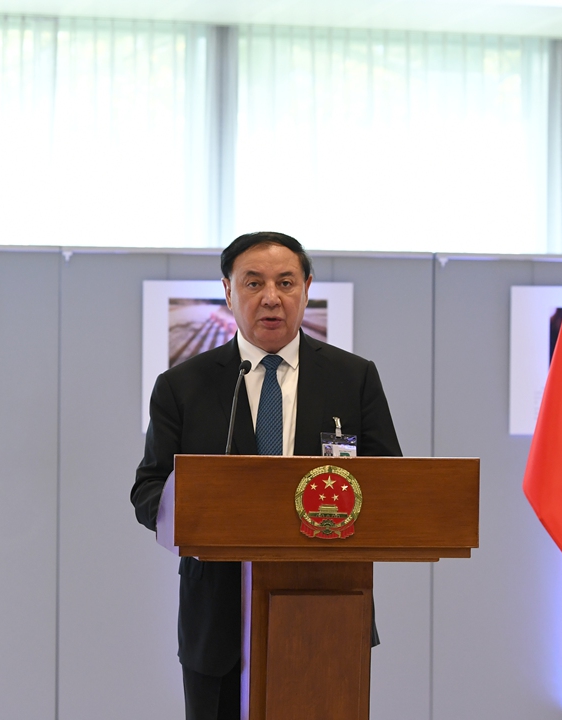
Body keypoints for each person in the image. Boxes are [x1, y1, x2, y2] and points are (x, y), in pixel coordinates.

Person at [130, 231, 402, 720]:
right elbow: (148, 489)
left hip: (328, 610)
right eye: (253, 283)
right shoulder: (182, 386)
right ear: (229, 292)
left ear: (307, 288)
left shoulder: (353, 378)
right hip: (216, 617)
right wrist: (194, 514)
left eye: (286, 282)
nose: (271, 297)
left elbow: (391, 484)